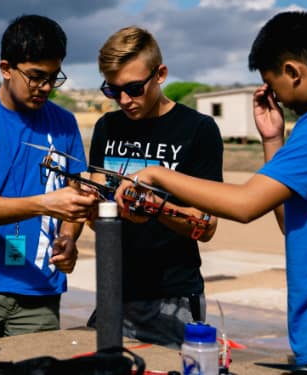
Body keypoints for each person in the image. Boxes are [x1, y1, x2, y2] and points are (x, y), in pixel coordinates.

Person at [114, 11, 307, 374]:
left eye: (274, 84)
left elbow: (245, 204)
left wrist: (158, 174)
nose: (279, 98)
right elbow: (291, 221)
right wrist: (273, 140)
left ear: (293, 71)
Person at [0, 14, 99, 340]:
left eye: (54, 77)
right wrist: (45, 204)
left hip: (40, 288)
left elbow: (74, 200)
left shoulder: (65, 124)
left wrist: (70, 237)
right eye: (35, 76)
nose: (45, 87)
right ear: (6, 68)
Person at [87, 26, 222, 348]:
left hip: (174, 296)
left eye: (134, 88)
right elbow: (95, 213)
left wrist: (153, 209)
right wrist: (90, 210)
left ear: (160, 74)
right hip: (115, 290)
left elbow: (206, 227)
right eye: (112, 90)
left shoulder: (198, 130)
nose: (124, 100)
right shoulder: (107, 126)